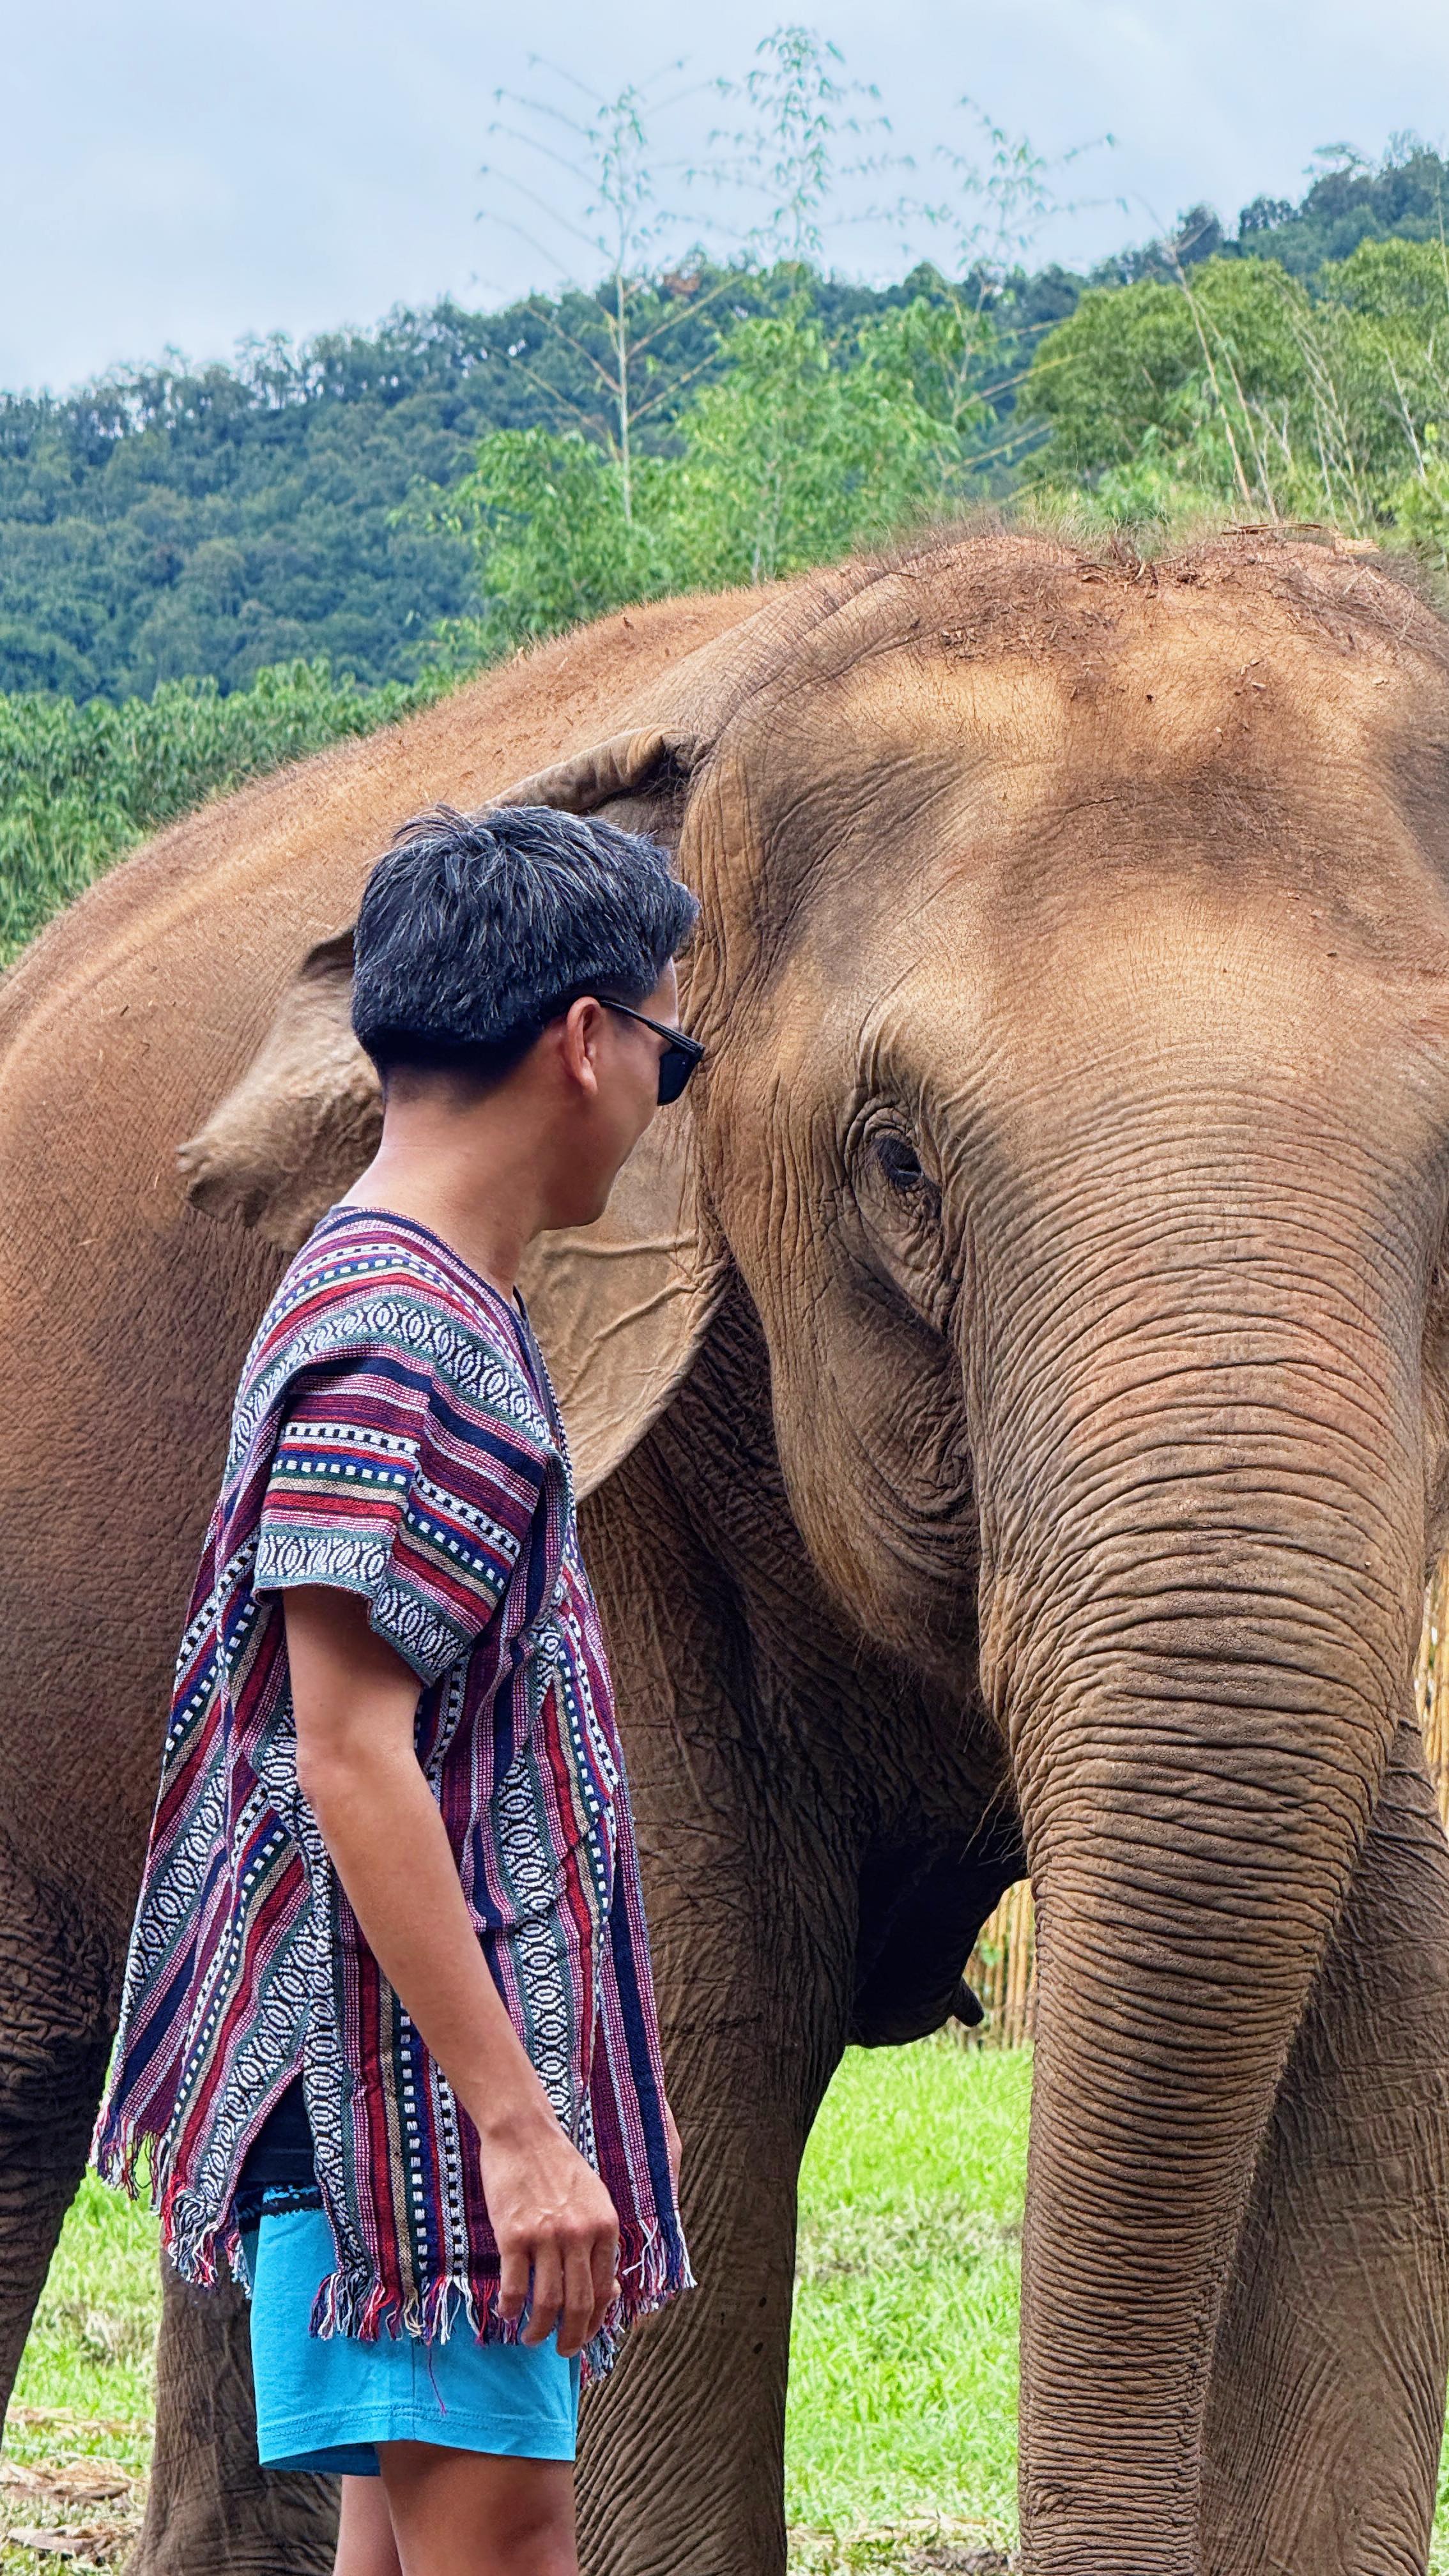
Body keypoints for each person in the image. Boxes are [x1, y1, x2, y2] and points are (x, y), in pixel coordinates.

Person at [95, 803, 705, 2576]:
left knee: (411, 2542)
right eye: (672, 1045)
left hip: (393, 2090)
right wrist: (516, 2125)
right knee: (498, 2545)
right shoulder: (401, 1341)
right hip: (407, 2110)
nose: (669, 1094)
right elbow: (346, 1753)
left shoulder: (410, 1298)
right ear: (584, 1043)